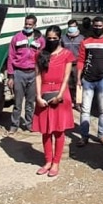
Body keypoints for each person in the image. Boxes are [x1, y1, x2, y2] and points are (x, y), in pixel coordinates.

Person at [33, 26, 74, 177]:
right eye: (49, 38)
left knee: (58, 130)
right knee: (45, 130)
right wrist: (38, 96)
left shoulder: (67, 54)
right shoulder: (39, 54)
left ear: (59, 38)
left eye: (54, 38)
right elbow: (37, 76)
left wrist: (60, 95)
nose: (51, 40)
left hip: (60, 93)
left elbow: (66, 77)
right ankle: (48, 161)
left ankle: (56, 162)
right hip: (44, 92)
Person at [77, 16, 103, 147]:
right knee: (85, 110)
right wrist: (78, 78)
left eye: (100, 26)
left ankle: (102, 135)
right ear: (92, 26)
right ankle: (84, 136)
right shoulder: (85, 41)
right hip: (88, 80)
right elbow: (81, 60)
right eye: (95, 26)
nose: (97, 28)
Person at [7, 14, 44, 135]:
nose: (27, 26)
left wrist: (41, 75)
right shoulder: (17, 37)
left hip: (33, 73)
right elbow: (11, 57)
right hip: (19, 73)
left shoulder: (40, 39)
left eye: (30, 24)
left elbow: (43, 57)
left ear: (35, 25)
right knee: (17, 103)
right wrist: (10, 76)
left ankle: (29, 124)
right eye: (26, 24)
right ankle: (14, 125)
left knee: (30, 102)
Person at [62, 19, 84, 107]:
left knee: (78, 83)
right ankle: (69, 101)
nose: (71, 28)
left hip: (77, 64)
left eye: (73, 26)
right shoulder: (63, 38)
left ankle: (78, 103)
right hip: (66, 64)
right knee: (67, 83)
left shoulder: (81, 38)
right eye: (70, 27)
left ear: (77, 27)